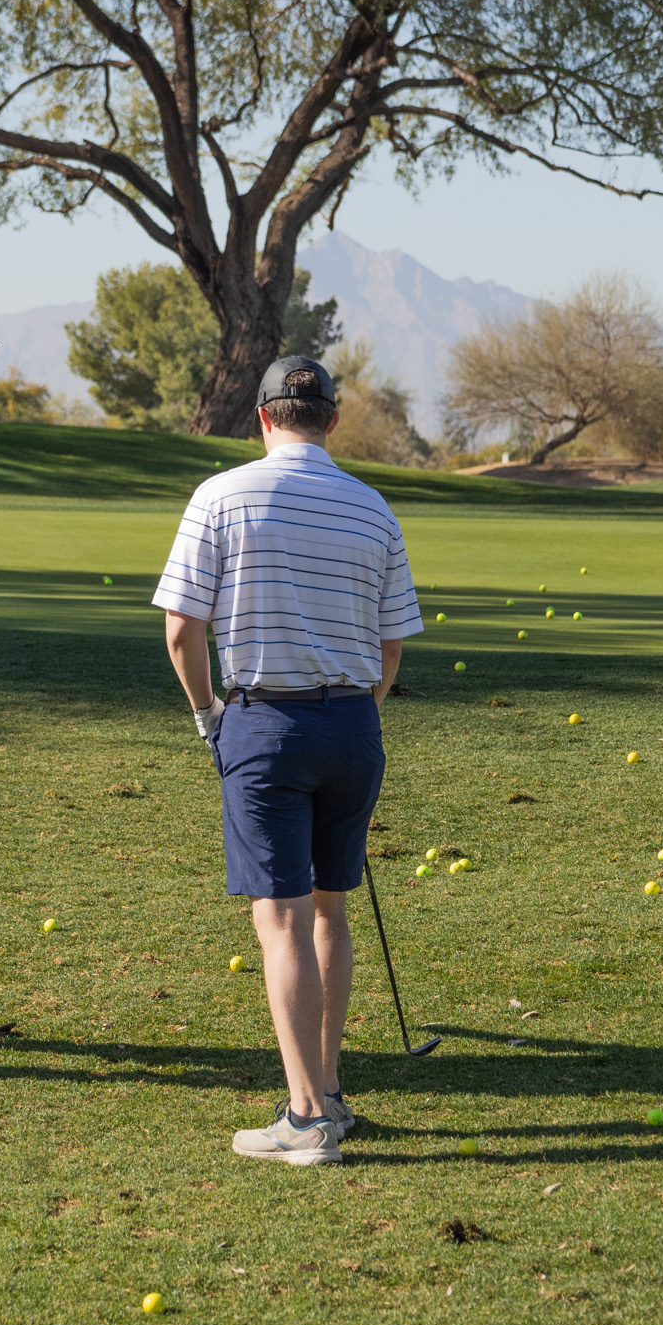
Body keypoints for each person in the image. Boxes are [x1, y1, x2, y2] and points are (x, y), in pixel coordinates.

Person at [153, 355, 424, 1165]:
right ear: (331, 421)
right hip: (352, 727)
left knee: (278, 921)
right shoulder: (372, 505)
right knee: (328, 910)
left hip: (263, 724)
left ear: (261, 417)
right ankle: (330, 1094)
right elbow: (390, 645)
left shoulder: (221, 494)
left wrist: (208, 716)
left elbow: (179, 629)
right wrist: (353, 718)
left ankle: (304, 1120)